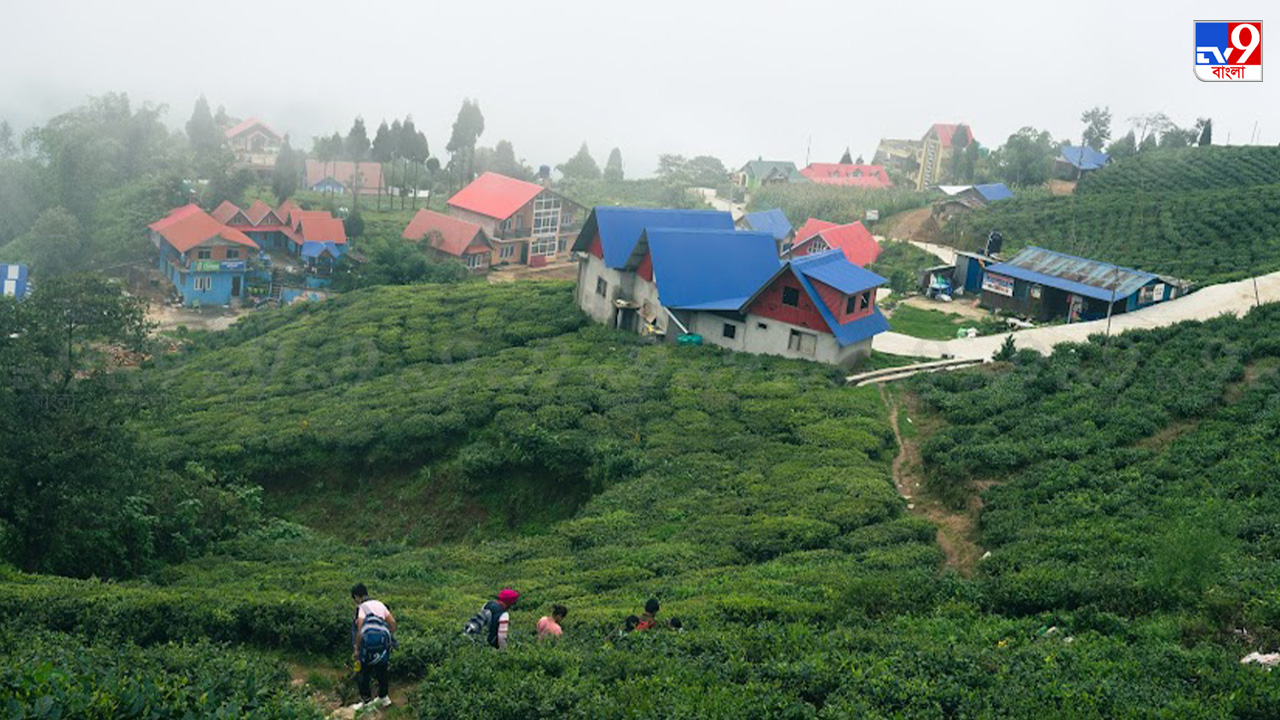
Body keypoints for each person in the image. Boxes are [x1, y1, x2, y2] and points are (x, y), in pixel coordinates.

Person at [349, 583, 397, 711]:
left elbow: (359, 630)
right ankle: (384, 697)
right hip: (382, 645)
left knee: (364, 672)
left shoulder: (361, 608)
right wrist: (388, 637)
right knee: (382, 669)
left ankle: (367, 702)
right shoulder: (380, 604)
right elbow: (392, 622)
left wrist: (356, 649)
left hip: (366, 647)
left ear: (356, 597)